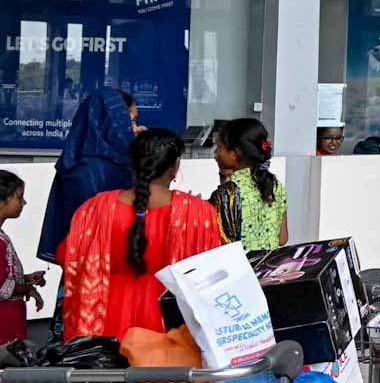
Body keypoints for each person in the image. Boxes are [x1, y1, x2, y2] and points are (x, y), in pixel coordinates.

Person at [57, 128, 224, 341]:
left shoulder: (96, 208)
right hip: (169, 329)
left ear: (133, 166)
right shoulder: (198, 213)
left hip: (103, 324)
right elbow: (211, 275)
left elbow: (67, 257)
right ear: (174, 168)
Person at [37, 88, 139, 269]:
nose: (135, 129)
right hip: (92, 272)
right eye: (131, 121)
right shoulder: (88, 172)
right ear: (113, 121)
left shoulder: (117, 164)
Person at [209, 118, 288, 252]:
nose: (215, 154)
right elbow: (282, 239)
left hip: (241, 264)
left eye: (219, 148)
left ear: (234, 155)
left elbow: (220, 242)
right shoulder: (276, 186)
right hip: (269, 263)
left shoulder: (228, 194)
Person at [0, 171, 47, 346]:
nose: (24, 203)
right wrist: (27, 288)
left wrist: (26, 278)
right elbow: (2, 288)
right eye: (19, 198)